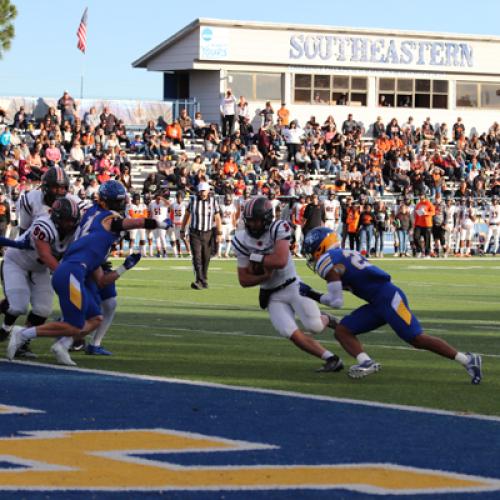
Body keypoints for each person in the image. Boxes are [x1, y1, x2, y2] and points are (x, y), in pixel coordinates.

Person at [6, 181, 172, 365]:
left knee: (95, 319)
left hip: (80, 269)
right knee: (74, 324)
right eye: (118, 201)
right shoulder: (108, 218)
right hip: (71, 273)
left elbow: (101, 280)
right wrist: (162, 224)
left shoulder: (92, 218)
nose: (122, 204)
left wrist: (124, 267)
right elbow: (139, 221)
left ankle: (61, 345)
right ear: (108, 202)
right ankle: (22, 334)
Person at [299, 227, 483, 384]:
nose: (311, 258)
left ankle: (467, 359)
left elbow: (336, 302)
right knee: (343, 330)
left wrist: (310, 293)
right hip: (379, 301)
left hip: (389, 298)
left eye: (311, 251)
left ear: (321, 247)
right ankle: (366, 362)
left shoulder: (327, 260)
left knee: (416, 339)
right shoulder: (341, 254)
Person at [231, 196, 343, 372]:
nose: (252, 225)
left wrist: (255, 258)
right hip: (271, 295)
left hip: (292, 286)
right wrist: (264, 276)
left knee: (314, 326)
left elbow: (281, 260)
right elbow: (243, 280)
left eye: (256, 221)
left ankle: (327, 318)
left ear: (267, 219)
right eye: (250, 221)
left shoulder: (278, 228)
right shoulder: (241, 239)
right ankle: (331, 358)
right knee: (288, 331)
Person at [0, 199, 80, 359]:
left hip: (40, 269)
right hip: (17, 263)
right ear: (56, 217)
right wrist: (65, 275)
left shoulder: (75, 230)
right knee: (18, 306)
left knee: (43, 310)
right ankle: (4, 329)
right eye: (66, 220)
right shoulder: (44, 226)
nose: (70, 224)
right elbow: (45, 254)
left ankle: (22, 342)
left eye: (73, 220)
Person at [181, 182, 222, 290]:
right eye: (201, 191)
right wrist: (182, 229)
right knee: (197, 257)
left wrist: (219, 233)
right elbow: (187, 215)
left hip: (208, 233)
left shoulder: (213, 202)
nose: (203, 193)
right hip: (195, 232)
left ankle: (203, 278)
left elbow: (217, 218)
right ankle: (200, 280)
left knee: (206, 257)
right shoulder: (193, 201)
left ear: (208, 191)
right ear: (198, 191)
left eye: (204, 191)